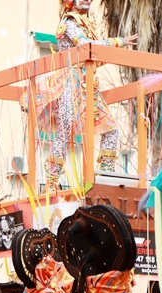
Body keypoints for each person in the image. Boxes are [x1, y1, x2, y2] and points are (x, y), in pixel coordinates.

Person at [29, 0, 137, 190]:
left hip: (88, 86)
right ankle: (51, 183)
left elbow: (95, 55)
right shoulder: (70, 22)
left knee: (111, 129)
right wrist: (118, 41)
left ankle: (106, 178)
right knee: (65, 132)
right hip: (69, 82)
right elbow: (86, 45)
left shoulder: (86, 24)